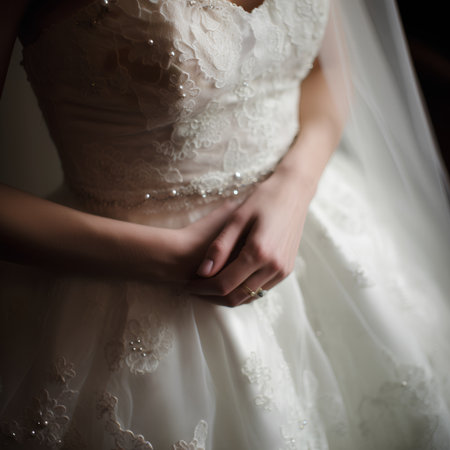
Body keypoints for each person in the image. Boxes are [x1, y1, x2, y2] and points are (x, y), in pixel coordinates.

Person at [1, 0, 449, 448]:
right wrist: (172, 258)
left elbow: (325, 73)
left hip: (317, 223)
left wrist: (294, 187)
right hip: (127, 288)